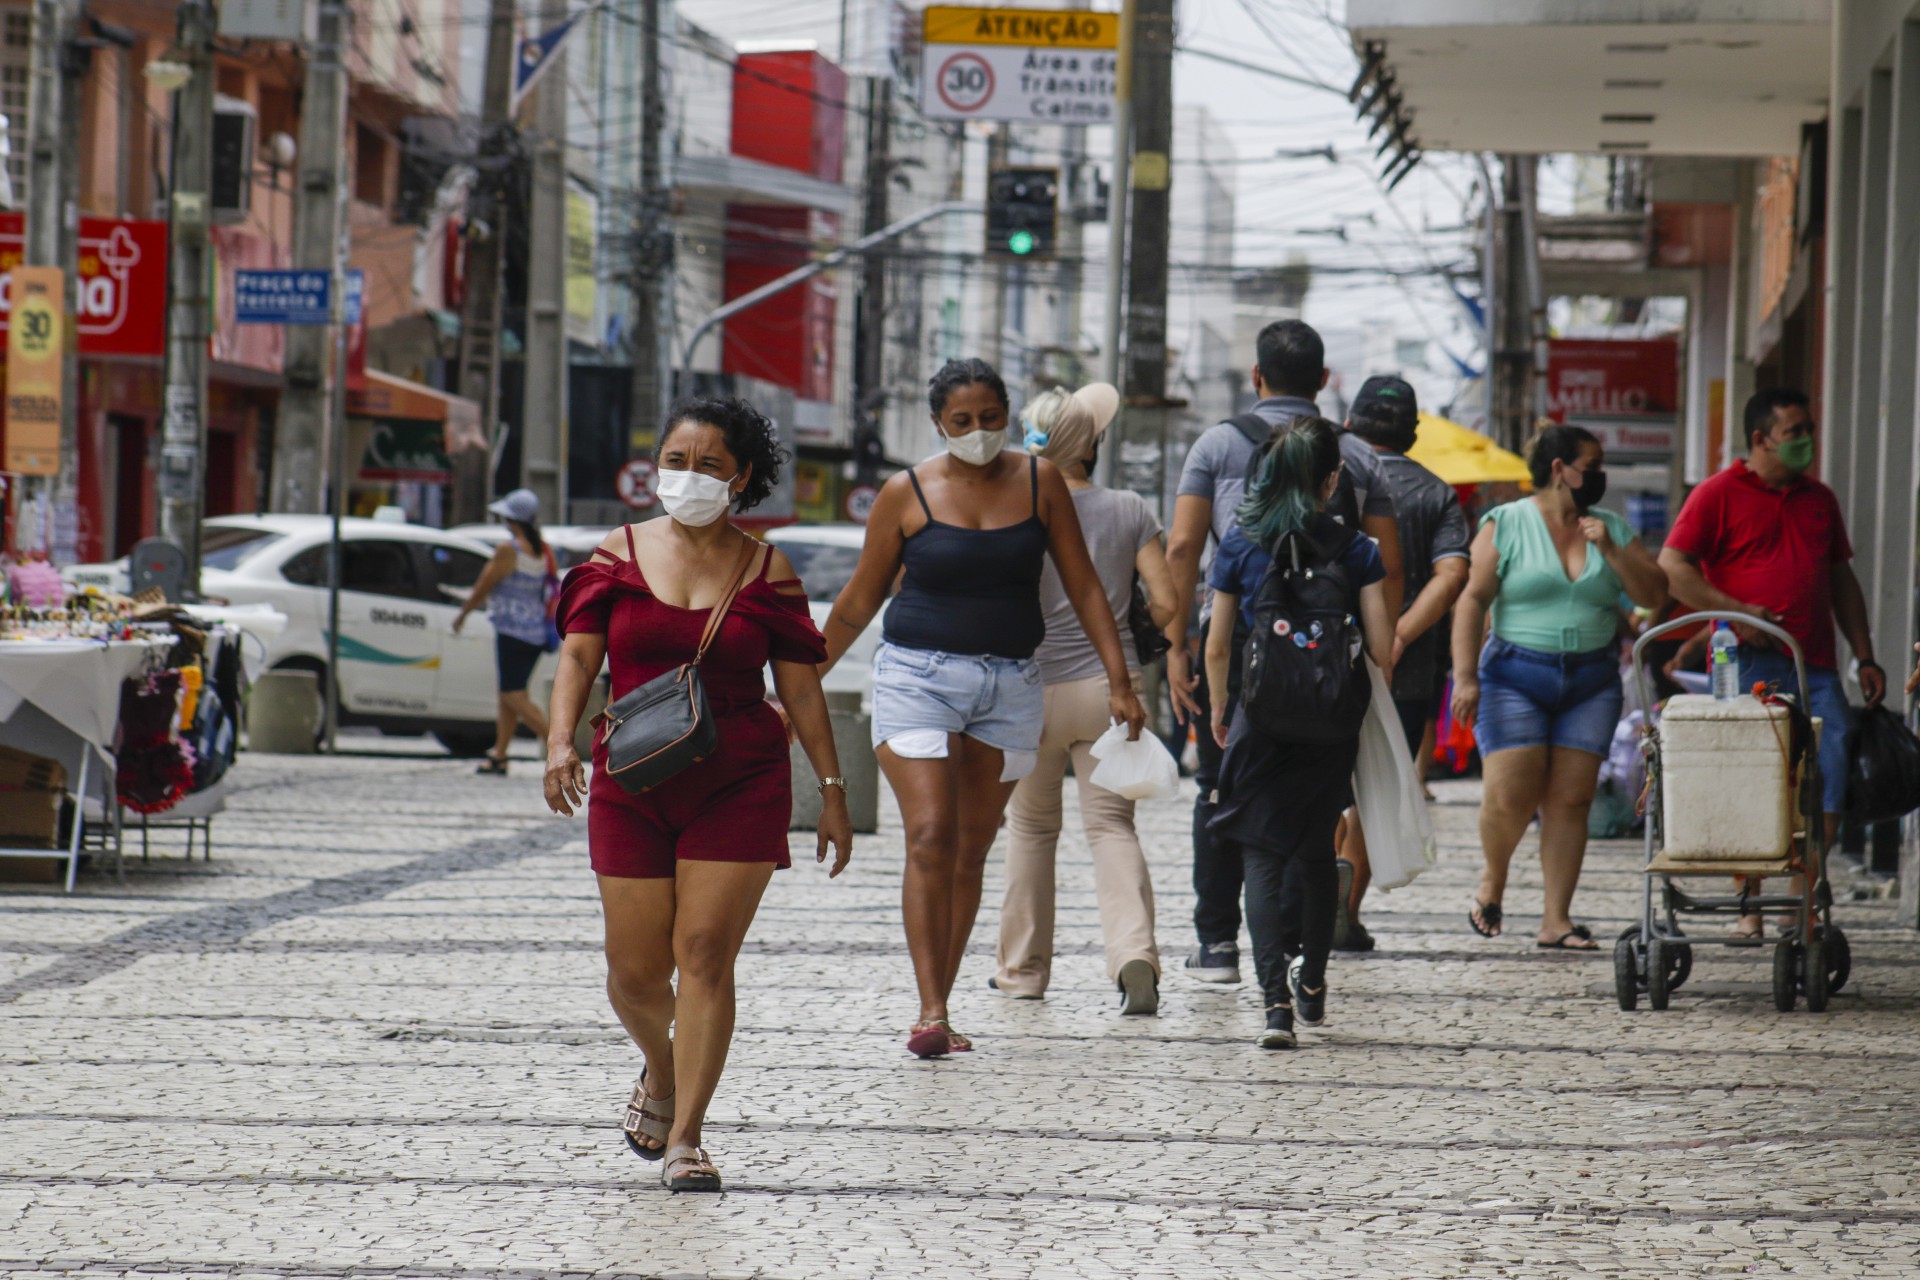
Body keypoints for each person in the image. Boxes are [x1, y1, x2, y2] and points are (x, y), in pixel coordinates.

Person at [543, 396, 854, 1193]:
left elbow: (804, 689)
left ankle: (686, 1139)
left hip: (739, 779)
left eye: (710, 465)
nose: (688, 477)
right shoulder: (614, 556)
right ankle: (661, 1068)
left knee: (706, 955)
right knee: (633, 971)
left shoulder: (765, 568)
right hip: (632, 779)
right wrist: (557, 743)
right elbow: (578, 662)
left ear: (741, 477)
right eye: (676, 461)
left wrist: (831, 785)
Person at [823, 358, 1147, 1058]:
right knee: (932, 834)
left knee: (971, 848)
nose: (977, 432)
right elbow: (858, 599)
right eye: (962, 422)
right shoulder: (904, 492)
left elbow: (1088, 588)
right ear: (938, 424)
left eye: (990, 418)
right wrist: (799, 678)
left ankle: (946, 998)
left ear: (1009, 416)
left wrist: (1121, 679)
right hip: (917, 679)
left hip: (1010, 685)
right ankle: (930, 1009)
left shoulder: (1041, 483)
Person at [1165, 318, 1403, 984]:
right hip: (1331, 654)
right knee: (1314, 804)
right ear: (1325, 382)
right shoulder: (1356, 456)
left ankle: (1218, 943)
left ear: (1256, 376)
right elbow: (1389, 566)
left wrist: (1180, 643)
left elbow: (1183, 547)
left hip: (1238, 643)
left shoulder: (1215, 444)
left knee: (1220, 790)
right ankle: (1301, 944)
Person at [1657, 387, 1884, 938]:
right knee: (1746, 780)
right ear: (1760, 439)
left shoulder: (1818, 498)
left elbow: (1840, 579)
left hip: (1818, 665)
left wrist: (1866, 654)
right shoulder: (1716, 494)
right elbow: (1673, 565)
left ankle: (1803, 905)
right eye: (1795, 432)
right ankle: (1749, 907)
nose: (1807, 440)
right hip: (1743, 664)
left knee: (1824, 778)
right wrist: (1738, 612)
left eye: (1809, 428)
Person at [1204, 417, 1395, 1049]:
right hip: (1330, 723)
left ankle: (1274, 1008)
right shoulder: (1358, 549)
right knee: (1316, 849)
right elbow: (1382, 647)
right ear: (1332, 479)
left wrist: (1219, 710)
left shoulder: (1239, 543)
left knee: (1260, 854)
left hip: (1260, 718)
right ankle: (1311, 980)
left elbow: (1216, 646)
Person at [993, 382, 1176, 1014]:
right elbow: (1170, 602)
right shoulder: (1128, 508)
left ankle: (1021, 971)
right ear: (1090, 445)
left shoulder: (1012, 505)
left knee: (1031, 829)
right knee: (1111, 826)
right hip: (1108, 686)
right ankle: (1134, 957)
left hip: (1028, 692)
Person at [1450, 425, 1668, 949]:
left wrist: (1612, 552)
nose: (1599, 474)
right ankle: (1492, 881)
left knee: (1571, 799)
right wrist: (1465, 676)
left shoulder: (1609, 526)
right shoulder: (1506, 523)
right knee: (1510, 794)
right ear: (1558, 469)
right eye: (1590, 465)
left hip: (1592, 679)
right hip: (1513, 674)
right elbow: (1472, 600)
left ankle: (1557, 920)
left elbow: (1655, 592)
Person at [1335, 377, 1471, 951]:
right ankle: (1347, 906)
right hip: (1408, 672)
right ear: (1414, 433)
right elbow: (1452, 576)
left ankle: (1321, 886)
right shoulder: (1438, 493)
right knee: (1378, 790)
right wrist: (1397, 637)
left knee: (1323, 782)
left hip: (1324, 662)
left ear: (1349, 422)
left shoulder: (1331, 476)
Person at [452, 488, 556, 774]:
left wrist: (463, 614)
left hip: (512, 632)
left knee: (512, 695)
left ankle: (557, 744)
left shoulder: (508, 550)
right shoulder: (541, 549)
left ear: (511, 519)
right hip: (535, 633)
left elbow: (484, 586)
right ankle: (500, 754)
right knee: (508, 694)